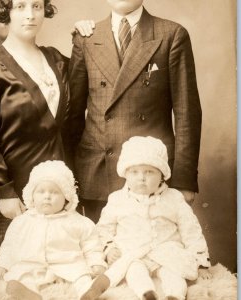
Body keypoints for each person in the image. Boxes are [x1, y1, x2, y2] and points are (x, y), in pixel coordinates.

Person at [0, 0, 93, 270]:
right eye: (20, 6)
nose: (30, 15)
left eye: (36, 6)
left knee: (58, 281)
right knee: (0, 283)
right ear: (6, 12)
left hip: (56, 196)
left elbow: (89, 80)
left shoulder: (58, 61)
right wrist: (5, 193)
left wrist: (83, 38)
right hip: (10, 196)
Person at [69, 0, 202, 222]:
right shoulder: (86, 37)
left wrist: (185, 180)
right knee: (101, 252)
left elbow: (187, 114)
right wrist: (68, 176)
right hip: (97, 174)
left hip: (151, 174)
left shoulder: (171, 34)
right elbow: (72, 116)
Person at [81, 136, 210, 300]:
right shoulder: (117, 199)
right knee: (135, 272)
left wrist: (201, 263)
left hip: (167, 253)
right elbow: (103, 230)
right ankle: (147, 294)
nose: (141, 177)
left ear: (162, 175)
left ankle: (174, 295)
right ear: (125, 173)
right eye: (134, 172)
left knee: (174, 274)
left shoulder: (174, 199)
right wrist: (110, 248)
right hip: (133, 253)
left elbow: (192, 231)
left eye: (149, 172)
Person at [0, 160, 106, 299]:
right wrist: (1, 266)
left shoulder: (79, 222)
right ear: (32, 196)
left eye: (54, 192)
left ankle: (88, 293)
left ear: (66, 197)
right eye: (41, 191)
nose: (47, 196)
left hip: (68, 267)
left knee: (82, 279)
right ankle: (29, 295)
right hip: (31, 267)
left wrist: (96, 263)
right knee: (22, 279)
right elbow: (8, 248)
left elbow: (91, 246)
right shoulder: (21, 221)